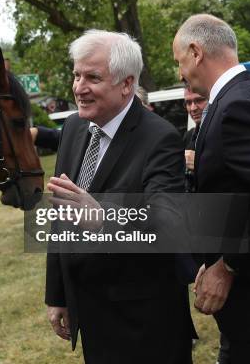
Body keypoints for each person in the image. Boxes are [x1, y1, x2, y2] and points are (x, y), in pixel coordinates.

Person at [45, 29, 194, 363]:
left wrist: (102, 218)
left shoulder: (160, 138)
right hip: (92, 315)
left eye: (92, 77)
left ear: (127, 84)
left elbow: (166, 225)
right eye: (76, 75)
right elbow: (61, 215)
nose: (79, 88)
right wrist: (58, 294)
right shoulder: (72, 128)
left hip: (145, 323)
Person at [173, 14, 250, 363]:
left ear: (196, 52)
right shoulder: (245, 95)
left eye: (179, 62)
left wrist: (228, 265)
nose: (179, 73)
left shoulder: (238, 105)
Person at [182, 85, 208, 193]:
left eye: (199, 100)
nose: (193, 108)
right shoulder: (188, 136)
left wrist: (200, 163)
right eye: (188, 103)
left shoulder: (221, 131)